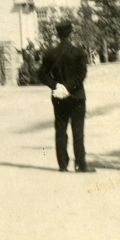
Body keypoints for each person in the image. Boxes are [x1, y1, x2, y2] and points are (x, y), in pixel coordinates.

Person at [38, 21, 94, 173]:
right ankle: (80, 165)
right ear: (71, 33)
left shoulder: (50, 53)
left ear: (57, 34)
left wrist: (56, 86)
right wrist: (68, 88)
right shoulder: (79, 52)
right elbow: (81, 75)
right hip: (77, 97)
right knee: (78, 131)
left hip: (58, 98)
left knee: (61, 130)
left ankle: (62, 165)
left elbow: (42, 74)